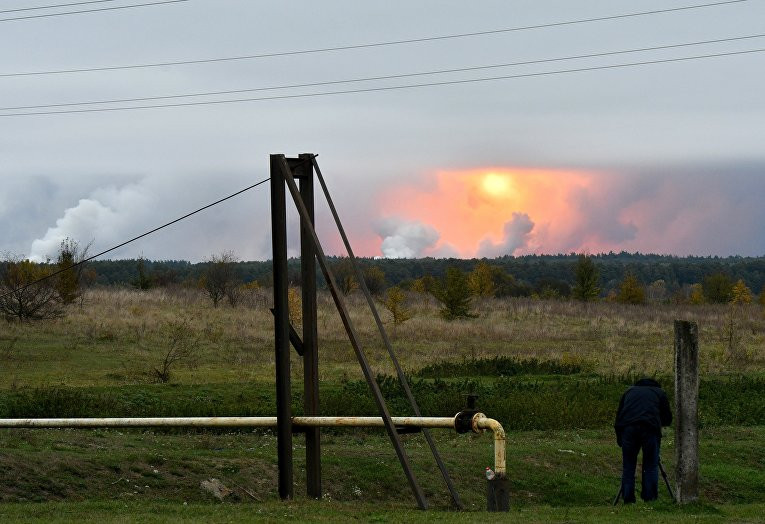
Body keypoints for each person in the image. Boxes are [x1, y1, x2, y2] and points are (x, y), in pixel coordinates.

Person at [614, 378, 672, 503]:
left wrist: (620, 438)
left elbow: (619, 417)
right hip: (650, 429)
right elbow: (667, 418)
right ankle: (650, 499)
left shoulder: (629, 391)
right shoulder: (659, 392)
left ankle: (628, 500)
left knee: (628, 466)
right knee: (651, 465)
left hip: (628, 430)